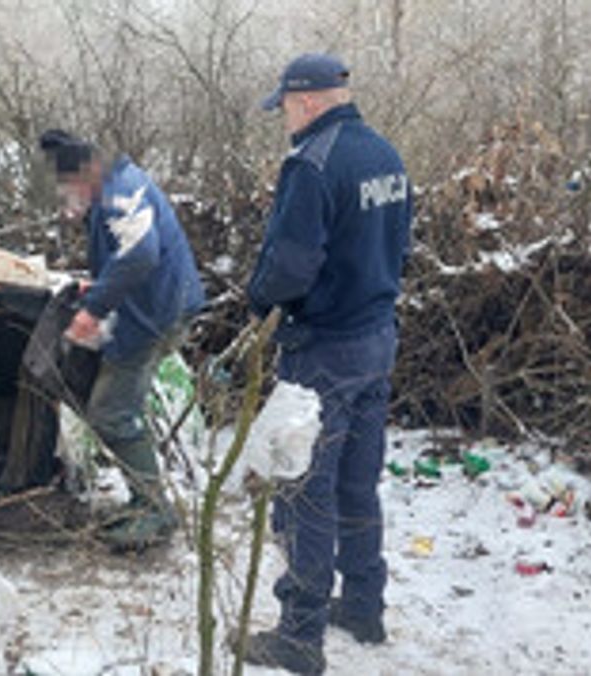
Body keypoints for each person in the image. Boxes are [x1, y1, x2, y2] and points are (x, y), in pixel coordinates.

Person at [243, 54, 412, 674]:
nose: (283, 117)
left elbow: (289, 265)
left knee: (305, 491)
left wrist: (257, 300)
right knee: (357, 480)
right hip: (377, 336)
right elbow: (400, 245)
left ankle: (300, 633)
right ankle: (365, 604)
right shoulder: (385, 155)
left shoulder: (312, 163)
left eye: (285, 105)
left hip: (324, 349)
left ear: (307, 100)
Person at [38, 129, 205, 550]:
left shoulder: (121, 193)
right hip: (154, 307)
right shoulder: (114, 186)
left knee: (110, 412)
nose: (67, 194)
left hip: (155, 314)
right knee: (120, 405)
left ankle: (155, 512)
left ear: (86, 173)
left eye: (68, 185)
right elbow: (121, 253)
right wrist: (95, 289)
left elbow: (140, 254)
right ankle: (146, 498)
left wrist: (93, 311)